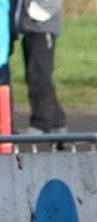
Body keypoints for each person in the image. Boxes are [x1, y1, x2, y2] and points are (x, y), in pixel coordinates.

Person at [12, 0, 65, 134]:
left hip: (42, 28)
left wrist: (34, 12)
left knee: (39, 76)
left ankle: (41, 123)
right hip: (30, 28)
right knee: (35, 76)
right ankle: (57, 121)